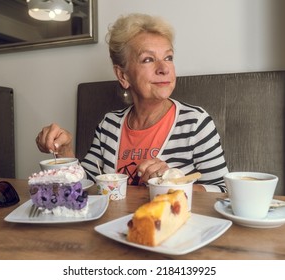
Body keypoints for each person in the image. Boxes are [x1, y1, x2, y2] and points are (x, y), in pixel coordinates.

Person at [35, 13, 228, 192]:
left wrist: (169, 184)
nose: (164, 68)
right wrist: (64, 151)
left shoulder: (195, 123)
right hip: (113, 227)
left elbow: (222, 190)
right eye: (148, 59)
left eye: (168, 57)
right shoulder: (108, 124)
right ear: (123, 75)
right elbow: (87, 186)